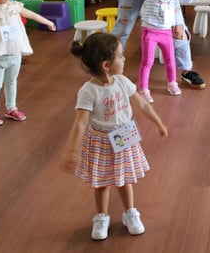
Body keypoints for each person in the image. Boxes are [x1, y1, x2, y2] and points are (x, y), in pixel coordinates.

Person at [63, 33, 168, 241]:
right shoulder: (89, 91)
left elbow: (142, 104)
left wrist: (158, 122)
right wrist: (71, 150)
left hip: (124, 137)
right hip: (100, 141)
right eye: (121, 56)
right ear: (105, 64)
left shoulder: (122, 81)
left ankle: (130, 212)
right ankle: (102, 217)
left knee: (125, 178)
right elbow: (81, 122)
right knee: (101, 182)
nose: (125, 59)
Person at [119, 0, 195, 100]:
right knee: (147, 62)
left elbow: (189, 0)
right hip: (150, 31)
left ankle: (172, 83)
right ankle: (143, 89)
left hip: (166, 32)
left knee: (170, 60)